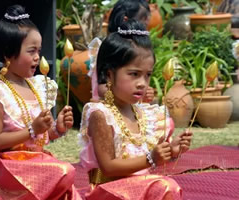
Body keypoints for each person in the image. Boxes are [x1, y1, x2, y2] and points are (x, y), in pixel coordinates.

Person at [79, 19, 193, 200]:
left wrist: (171, 150)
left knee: (165, 186)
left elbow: (146, 160)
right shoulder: (101, 114)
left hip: (138, 188)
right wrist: (151, 158)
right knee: (164, 186)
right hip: (109, 191)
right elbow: (108, 167)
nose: (142, 83)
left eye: (147, 75)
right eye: (134, 74)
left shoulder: (141, 112)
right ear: (109, 74)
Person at [0, 4, 81, 200]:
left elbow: (41, 138)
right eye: (31, 51)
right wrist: (32, 129)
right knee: (64, 171)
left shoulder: (39, 87)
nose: (37, 57)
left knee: (67, 188)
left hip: (37, 160)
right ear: (8, 54)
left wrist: (57, 129)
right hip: (11, 165)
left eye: (39, 51)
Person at [89, 0, 154, 102]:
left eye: (148, 75)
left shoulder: (143, 50)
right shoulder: (109, 49)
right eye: (134, 74)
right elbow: (100, 88)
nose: (140, 30)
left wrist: (144, 94)